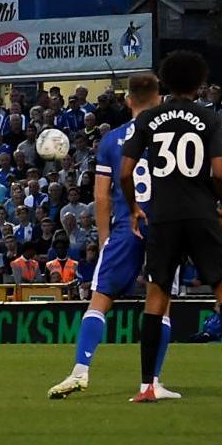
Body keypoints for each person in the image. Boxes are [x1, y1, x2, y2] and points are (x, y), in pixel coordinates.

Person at [116, 50, 222, 404]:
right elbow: (221, 172)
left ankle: (147, 385)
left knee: (156, 295)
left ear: (166, 82)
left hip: (162, 216)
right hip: (200, 213)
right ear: (199, 84)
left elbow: (125, 171)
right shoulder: (208, 117)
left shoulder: (149, 119)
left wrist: (134, 208)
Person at [49, 72, 174, 399]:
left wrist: (105, 238)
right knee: (161, 305)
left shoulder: (112, 139)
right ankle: (152, 382)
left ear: (128, 101)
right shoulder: (172, 137)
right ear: (159, 100)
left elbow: (101, 196)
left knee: (99, 301)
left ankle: (80, 371)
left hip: (125, 225)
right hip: (162, 227)